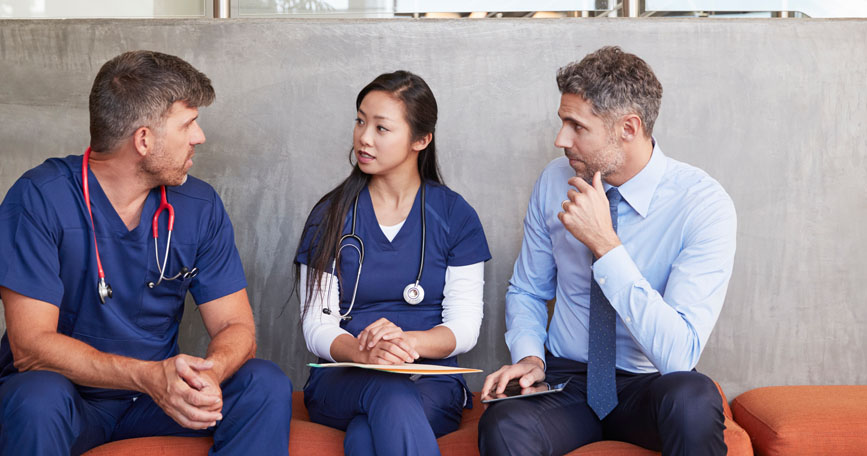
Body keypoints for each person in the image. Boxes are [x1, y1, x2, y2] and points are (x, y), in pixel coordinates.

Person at [0, 50, 292, 455]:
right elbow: (30, 347)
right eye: (188, 124)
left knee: (263, 382)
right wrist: (148, 376)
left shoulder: (199, 205)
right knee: (36, 397)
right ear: (144, 139)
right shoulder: (39, 198)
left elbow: (236, 327)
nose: (199, 137)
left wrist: (211, 374)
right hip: (71, 400)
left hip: (156, 402)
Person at [477, 46, 737, 456]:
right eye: (563, 122)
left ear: (628, 128)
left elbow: (678, 355)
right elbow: (528, 290)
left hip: (647, 382)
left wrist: (606, 245)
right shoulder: (553, 181)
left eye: (576, 126)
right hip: (567, 380)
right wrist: (531, 358)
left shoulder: (702, 204)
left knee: (694, 396)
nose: (560, 139)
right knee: (505, 423)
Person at [295, 70, 491, 456]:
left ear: (421, 139)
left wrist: (407, 343)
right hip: (345, 377)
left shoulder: (454, 216)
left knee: (368, 435)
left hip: (430, 379)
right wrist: (362, 353)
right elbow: (316, 325)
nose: (364, 137)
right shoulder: (330, 215)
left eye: (381, 128)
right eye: (360, 120)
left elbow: (465, 325)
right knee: (389, 390)